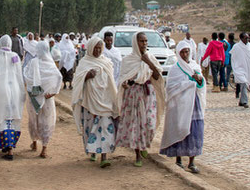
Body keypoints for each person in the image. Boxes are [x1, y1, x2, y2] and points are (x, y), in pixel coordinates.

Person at [116, 32, 166, 167]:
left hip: (147, 94)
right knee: (136, 124)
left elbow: (156, 76)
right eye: (141, 41)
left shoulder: (150, 57)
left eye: (145, 41)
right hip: (133, 94)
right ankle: (138, 154)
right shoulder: (128, 60)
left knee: (150, 122)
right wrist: (125, 84)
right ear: (135, 43)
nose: (144, 44)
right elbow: (123, 78)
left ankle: (144, 145)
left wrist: (148, 62)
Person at [72, 37, 119, 168]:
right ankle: (93, 151)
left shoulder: (107, 62)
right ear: (91, 48)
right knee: (91, 127)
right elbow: (76, 81)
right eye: (95, 48)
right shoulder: (84, 63)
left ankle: (104, 156)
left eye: (100, 48)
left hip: (105, 101)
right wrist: (86, 76)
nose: (98, 50)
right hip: (89, 102)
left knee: (105, 126)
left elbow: (111, 82)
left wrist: (114, 100)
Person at [159, 40, 206, 174]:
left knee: (195, 130)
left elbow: (202, 85)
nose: (185, 54)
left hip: (194, 104)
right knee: (179, 127)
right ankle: (178, 159)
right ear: (178, 53)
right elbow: (171, 87)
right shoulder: (175, 69)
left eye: (187, 52)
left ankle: (192, 162)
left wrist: (198, 80)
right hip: (180, 104)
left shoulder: (195, 66)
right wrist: (187, 84)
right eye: (182, 52)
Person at [0, 35, 26, 160]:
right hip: (14, 90)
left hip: (0, 90)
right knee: (11, 116)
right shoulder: (15, 56)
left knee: (2, 115)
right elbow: (20, 76)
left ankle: (7, 148)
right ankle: (9, 146)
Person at [24, 41, 63, 158]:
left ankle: (34, 143)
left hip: (34, 97)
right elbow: (58, 77)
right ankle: (44, 149)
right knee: (46, 121)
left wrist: (35, 90)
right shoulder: (51, 64)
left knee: (33, 120)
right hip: (47, 99)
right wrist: (52, 93)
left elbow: (27, 76)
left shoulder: (32, 63)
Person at [230, 32, 250, 108]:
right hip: (240, 69)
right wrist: (236, 67)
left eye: (248, 38)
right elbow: (234, 58)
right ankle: (245, 101)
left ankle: (241, 101)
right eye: (246, 38)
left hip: (249, 69)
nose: (247, 39)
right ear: (241, 38)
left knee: (244, 85)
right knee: (243, 83)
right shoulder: (236, 47)